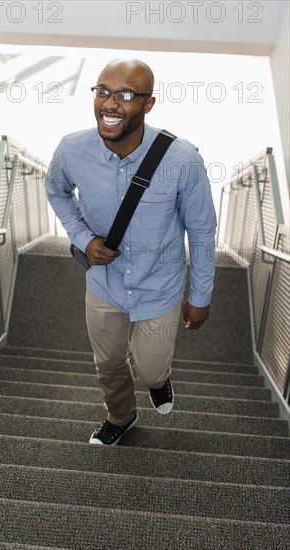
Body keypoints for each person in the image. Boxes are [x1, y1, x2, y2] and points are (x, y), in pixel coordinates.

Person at [45, 58, 217, 445]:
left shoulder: (183, 160)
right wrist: (82, 237)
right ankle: (121, 416)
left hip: (160, 287)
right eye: (102, 91)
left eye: (125, 95)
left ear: (149, 103)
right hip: (104, 284)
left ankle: (159, 383)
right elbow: (55, 190)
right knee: (108, 364)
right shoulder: (72, 150)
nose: (109, 104)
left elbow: (202, 231)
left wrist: (201, 297)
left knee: (152, 369)